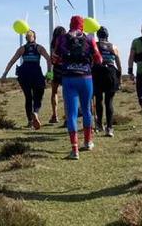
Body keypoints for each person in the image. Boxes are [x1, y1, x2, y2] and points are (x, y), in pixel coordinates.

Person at [52, 16, 102, 160]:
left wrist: (63, 61)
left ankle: (74, 150)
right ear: (82, 25)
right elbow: (98, 58)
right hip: (86, 78)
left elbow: (54, 59)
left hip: (68, 79)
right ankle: (88, 142)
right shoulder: (89, 38)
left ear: (70, 24)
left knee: (71, 114)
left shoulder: (61, 38)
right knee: (87, 110)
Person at [1, 30, 52, 129]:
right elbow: (48, 59)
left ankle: (29, 121)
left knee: (28, 97)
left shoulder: (22, 49)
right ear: (35, 38)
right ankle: (35, 112)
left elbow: (12, 61)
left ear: (25, 39)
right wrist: (49, 73)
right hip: (36, 74)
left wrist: (5, 74)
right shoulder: (39, 48)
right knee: (38, 95)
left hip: (24, 75)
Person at [93, 26, 122, 137]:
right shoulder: (113, 46)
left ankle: (100, 124)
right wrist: (119, 79)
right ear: (107, 36)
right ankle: (109, 128)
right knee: (109, 102)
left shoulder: (94, 45)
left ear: (98, 35)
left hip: (97, 72)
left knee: (99, 99)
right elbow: (118, 64)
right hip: (111, 73)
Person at [48, 26, 67, 124]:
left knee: (54, 92)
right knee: (66, 94)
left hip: (56, 70)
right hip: (66, 70)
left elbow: (51, 59)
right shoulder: (67, 42)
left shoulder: (53, 44)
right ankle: (67, 116)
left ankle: (55, 115)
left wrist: (49, 75)